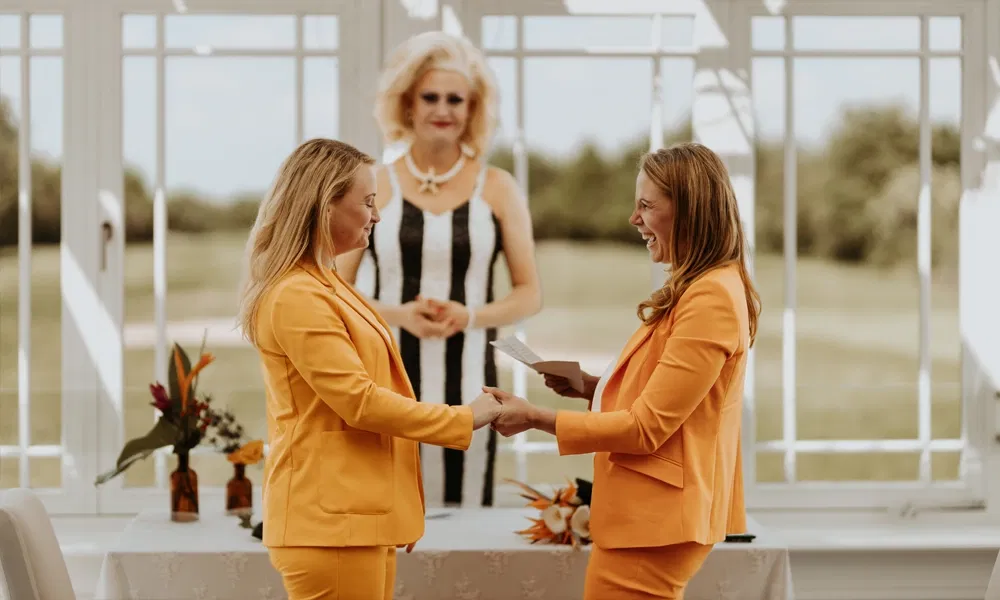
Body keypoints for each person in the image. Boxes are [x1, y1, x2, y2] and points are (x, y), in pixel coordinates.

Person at [485, 142, 761, 600]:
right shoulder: (702, 287)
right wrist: (591, 388)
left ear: (689, 211)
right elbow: (669, 399)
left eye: (647, 206)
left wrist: (535, 417)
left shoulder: (710, 297)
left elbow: (648, 427)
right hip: (653, 518)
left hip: (658, 522)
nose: (634, 219)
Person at [236, 138, 502, 600]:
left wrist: (395, 508)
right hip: (328, 526)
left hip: (355, 519)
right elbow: (359, 403)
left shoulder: (329, 284)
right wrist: (465, 417)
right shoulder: (298, 295)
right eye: (368, 202)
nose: (377, 215)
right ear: (324, 206)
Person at [337, 31, 542, 508]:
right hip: (386, 374)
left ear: (473, 110)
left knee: (465, 503)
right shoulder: (375, 184)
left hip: (471, 377)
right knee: (390, 504)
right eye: (430, 97)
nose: (443, 109)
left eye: (456, 99)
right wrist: (397, 314)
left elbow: (529, 293)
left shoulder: (498, 187)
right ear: (407, 105)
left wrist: (468, 316)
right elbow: (332, 286)